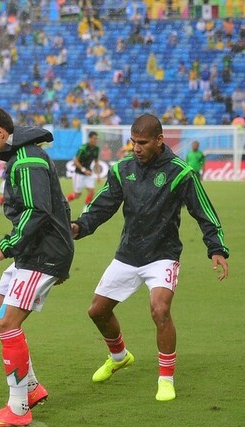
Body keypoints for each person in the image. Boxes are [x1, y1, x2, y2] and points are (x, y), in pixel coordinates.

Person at [72, 114, 229, 402]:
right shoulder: (122, 169)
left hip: (162, 256)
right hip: (128, 254)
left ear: (159, 141)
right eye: (133, 142)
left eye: (142, 142)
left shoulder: (180, 173)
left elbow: (203, 211)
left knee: (160, 309)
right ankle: (119, 356)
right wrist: (79, 227)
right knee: (97, 311)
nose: (136, 148)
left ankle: (166, 379)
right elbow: (102, 206)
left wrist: (216, 247)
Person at [0, 107, 74, 427]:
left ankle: (18, 408)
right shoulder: (20, 157)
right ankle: (30, 387)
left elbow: (38, 210)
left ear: (2, 133)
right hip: (33, 252)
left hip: (42, 253)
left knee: (7, 324)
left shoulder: (28, 160)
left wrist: (4, 247)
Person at [67, 131, 100, 214]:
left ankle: (85, 210)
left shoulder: (96, 149)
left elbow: (96, 162)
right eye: (94, 138)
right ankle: (65, 201)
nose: (96, 140)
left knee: (91, 191)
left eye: (97, 139)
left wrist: (98, 175)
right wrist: (83, 170)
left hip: (88, 173)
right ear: (90, 138)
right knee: (77, 195)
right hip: (79, 173)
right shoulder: (83, 148)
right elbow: (75, 161)